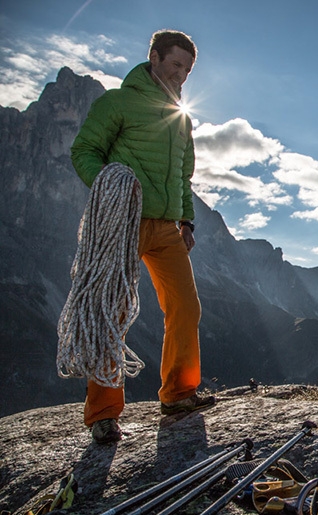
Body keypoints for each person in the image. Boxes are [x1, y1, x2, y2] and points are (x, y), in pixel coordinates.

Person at [71, 29, 214, 444]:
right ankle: (103, 413)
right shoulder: (118, 102)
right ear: (153, 57)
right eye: (175, 65)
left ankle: (179, 395)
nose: (182, 76)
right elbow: (84, 151)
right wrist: (110, 188)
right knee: (109, 312)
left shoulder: (181, 115)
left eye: (188, 70)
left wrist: (186, 222)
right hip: (123, 224)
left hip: (168, 229)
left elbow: (183, 175)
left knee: (186, 307)